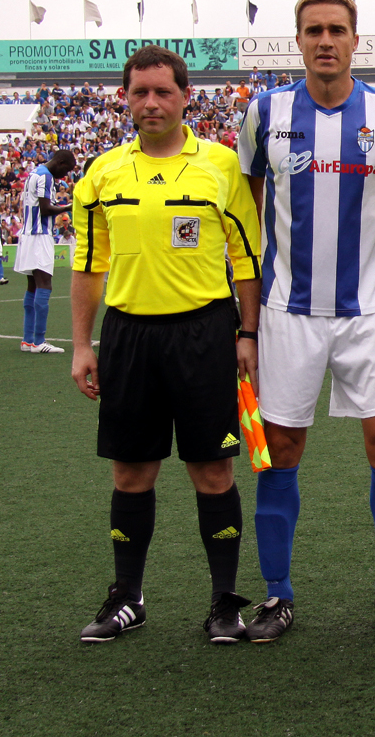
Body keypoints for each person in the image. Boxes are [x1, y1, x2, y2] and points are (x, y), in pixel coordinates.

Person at [237, 0, 375, 641]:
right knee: (279, 452)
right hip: (286, 310)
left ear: (354, 40)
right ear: (298, 39)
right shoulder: (264, 112)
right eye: (313, 30)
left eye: (336, 30)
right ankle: (277, 595)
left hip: (371, 308)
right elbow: (251, 199)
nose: (325, 40)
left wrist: (373, 244)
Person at [70, 45, 262, 643]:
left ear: (185, 97)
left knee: (213, 470)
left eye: (162, 91)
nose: (151, 102)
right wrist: (82, 345)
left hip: (204, 333)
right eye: (140, 92)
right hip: (128, 336)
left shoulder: (220, 165)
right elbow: (88, 265)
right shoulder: (102, 173)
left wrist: (248, 333)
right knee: (131, 472)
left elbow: (246, 258)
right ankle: (127, 597)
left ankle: (225, 603)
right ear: (125, 98)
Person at [13, 148, 76, 353]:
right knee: (44, 284)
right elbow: (45, 209)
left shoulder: (35, 172)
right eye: (66, 170)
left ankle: (27, 340)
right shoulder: (46, 176)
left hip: (28, 235)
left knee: (32, 286)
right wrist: (69, 207)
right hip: (39, 235)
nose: (65, 175)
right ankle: (39, 342)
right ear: (60, 163)